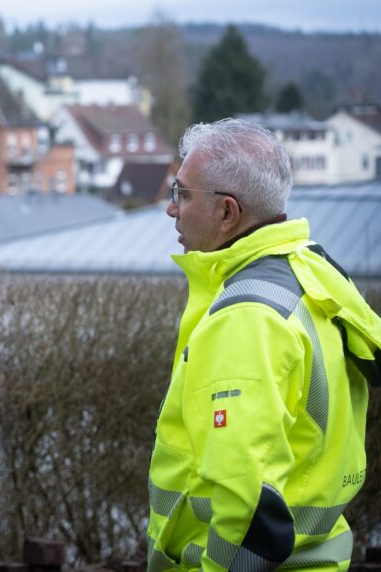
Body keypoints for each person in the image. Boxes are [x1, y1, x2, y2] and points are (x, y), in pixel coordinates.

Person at [147, 118, 381, 571]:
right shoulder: (314, 274)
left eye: (182, 194)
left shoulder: (247, 317)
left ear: (227, 213)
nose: (171, 209)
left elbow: (247, 500)